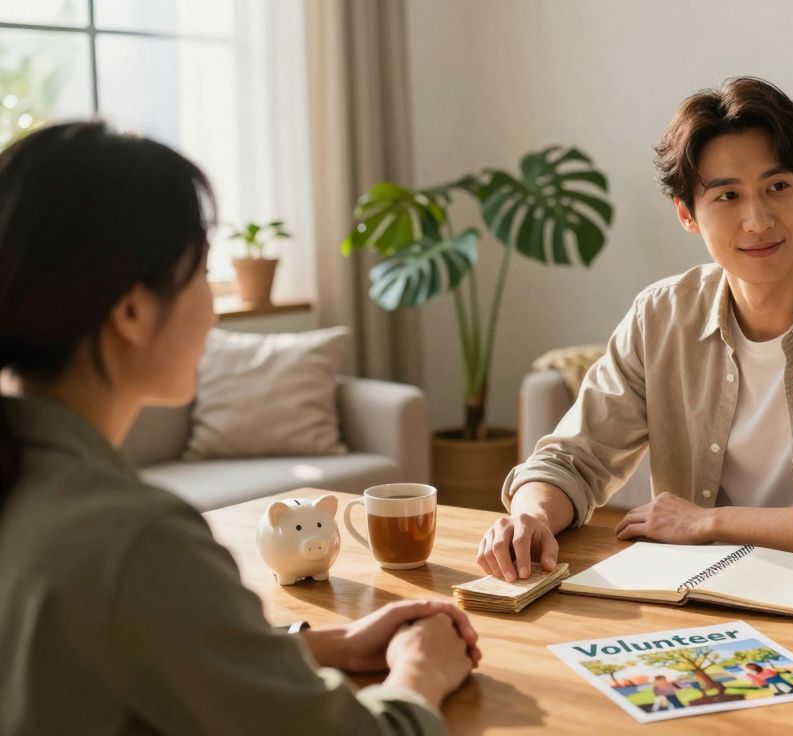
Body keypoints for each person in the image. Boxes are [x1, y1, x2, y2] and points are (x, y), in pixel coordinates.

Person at [0, 122, 481, 734]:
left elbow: (110, 654)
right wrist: (420, 675)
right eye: (202, 274)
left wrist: (329, 644)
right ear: (131, 311)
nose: (213, 309)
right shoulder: (136, 539)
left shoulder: (30, 487)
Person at [477, 77, 793, 582]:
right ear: (687, 215)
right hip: (702, 594)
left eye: (778, 187)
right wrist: (531, 515)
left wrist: (708, 523)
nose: (758, 220)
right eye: (727, 196)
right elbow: (574, 458)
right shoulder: (660, 317)